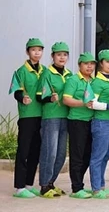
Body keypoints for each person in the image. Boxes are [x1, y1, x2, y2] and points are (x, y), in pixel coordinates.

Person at [9, 38, 45, 198]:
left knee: (35, 151)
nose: (37, 53)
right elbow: (16, 90)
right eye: (33, 50)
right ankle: (19, 187)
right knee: (23, 150)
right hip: (27, 116)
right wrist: (22, 98)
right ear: (27, 52)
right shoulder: (21, 71)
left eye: (39, 50)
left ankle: (29, 184)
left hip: (41, 115)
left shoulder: (45, 71)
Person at [38, 42, 72, 198]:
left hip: (66, 117)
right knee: (49, 152)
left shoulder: (70, 75)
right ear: (53, 56)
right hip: (51, 117)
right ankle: (44, 185)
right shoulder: (47, 73)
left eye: (65, 55)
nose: (62, 57)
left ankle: (51, 182)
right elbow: (39, 96)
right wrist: (50, 99)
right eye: (59, 54)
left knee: (60, 154)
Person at [62, 52, 96, 199]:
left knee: (87, 155)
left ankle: (80, 184)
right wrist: (84, 103)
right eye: (86, 63)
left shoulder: (93, 81)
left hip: (91, 121)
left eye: (92, 64)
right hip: (77, 121)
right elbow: (66, 100)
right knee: (77, 155)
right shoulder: (73, 80)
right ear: (79, 65)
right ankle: (76, 188)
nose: (89, 66)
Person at [89, 49, 109, 199]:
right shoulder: (97, 82)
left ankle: (101, 185)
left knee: (106, 155)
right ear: (101, 63)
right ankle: (96, 188)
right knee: (98, 155)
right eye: (108, 61)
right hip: (101, 121)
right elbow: (92, 103)